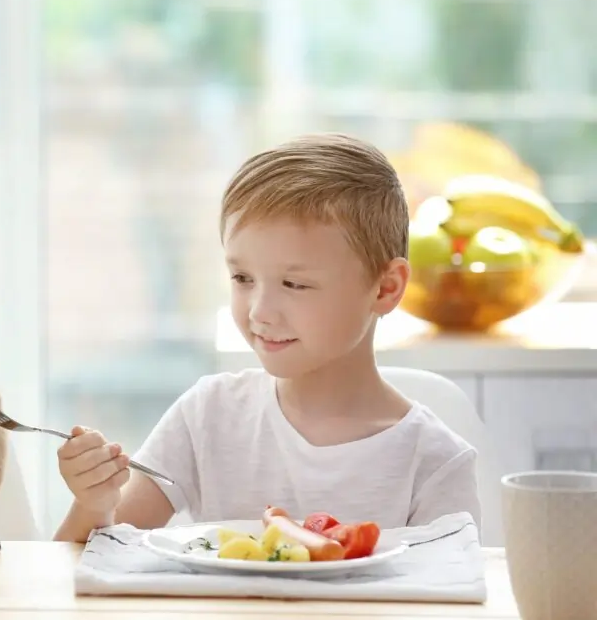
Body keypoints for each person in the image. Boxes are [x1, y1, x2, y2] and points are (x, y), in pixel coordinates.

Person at [53, 133, 482, 543]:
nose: (259, 311)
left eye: (294, 284)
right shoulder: (209, 415)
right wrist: (94, 503)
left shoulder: (434, 462)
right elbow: (87, 565)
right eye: (242, 277)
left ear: (385, 288)